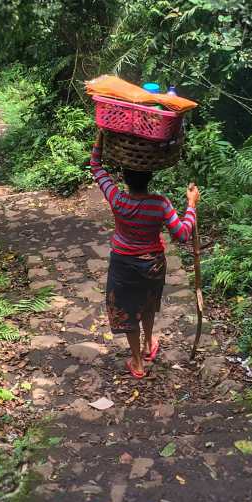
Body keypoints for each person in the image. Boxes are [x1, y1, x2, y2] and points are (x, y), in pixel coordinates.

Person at [90, 131, 200, 378]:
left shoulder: (117, 199)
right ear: (150, 176)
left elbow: (95, 166)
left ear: (124, 177)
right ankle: (150, 344)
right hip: (152, 265)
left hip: (123, 265)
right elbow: (182, 234)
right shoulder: (160, 204)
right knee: (148, 304)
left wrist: (102, 136)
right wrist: (191, 205)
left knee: (128, 311)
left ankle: (138, 362)